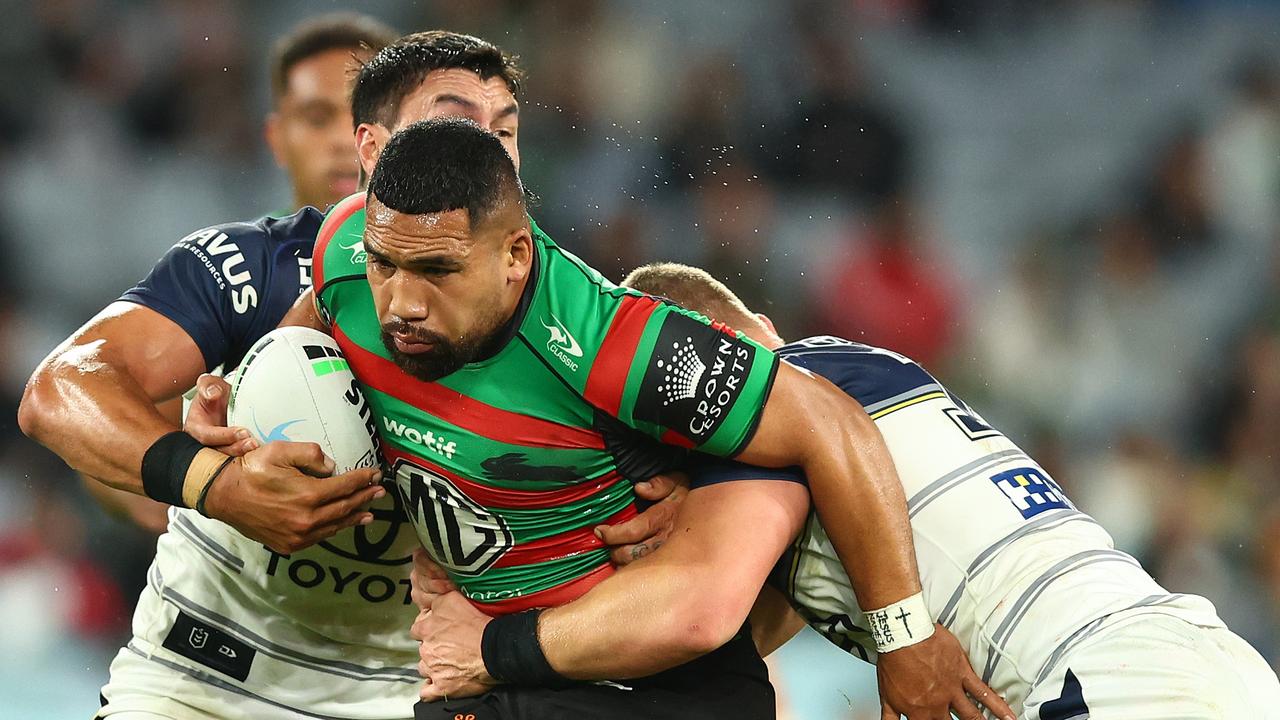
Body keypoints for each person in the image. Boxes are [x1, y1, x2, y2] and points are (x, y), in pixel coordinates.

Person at [20, 29, 680, 720]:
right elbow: (61, 390)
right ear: (370, 147)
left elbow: (743, 407)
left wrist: (682, 505)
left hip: (423, 695)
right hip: (202, 676)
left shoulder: (562, 323)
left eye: (505, 131)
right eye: (456, 122)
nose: (486, 149)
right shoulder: (253, 271)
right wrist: (212, 481)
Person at [276, 117, 1008, 720]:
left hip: (646, 693)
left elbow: (835, 426)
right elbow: (306, 343)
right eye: (384, 265)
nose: (401, 302)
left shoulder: (613, 346)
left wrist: (903, 639)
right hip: (476, 672)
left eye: (438, 272)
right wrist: (248, 407)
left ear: (515, 257)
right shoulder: (346, 253)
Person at [411, 262, 1280, 719]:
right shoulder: (862, 380)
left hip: (1098, 678)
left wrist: (495, 645)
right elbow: (760, 616)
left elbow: (701, 609)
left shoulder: (779, 392)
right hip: (1195, 651)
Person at [78, 12, 401, 535]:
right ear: (277, 138)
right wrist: (215, 506)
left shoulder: (456, 281)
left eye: (367, 117)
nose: (348, 140)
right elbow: (93, 404)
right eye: (318, 118)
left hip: (409, 615)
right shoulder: (235, 271)